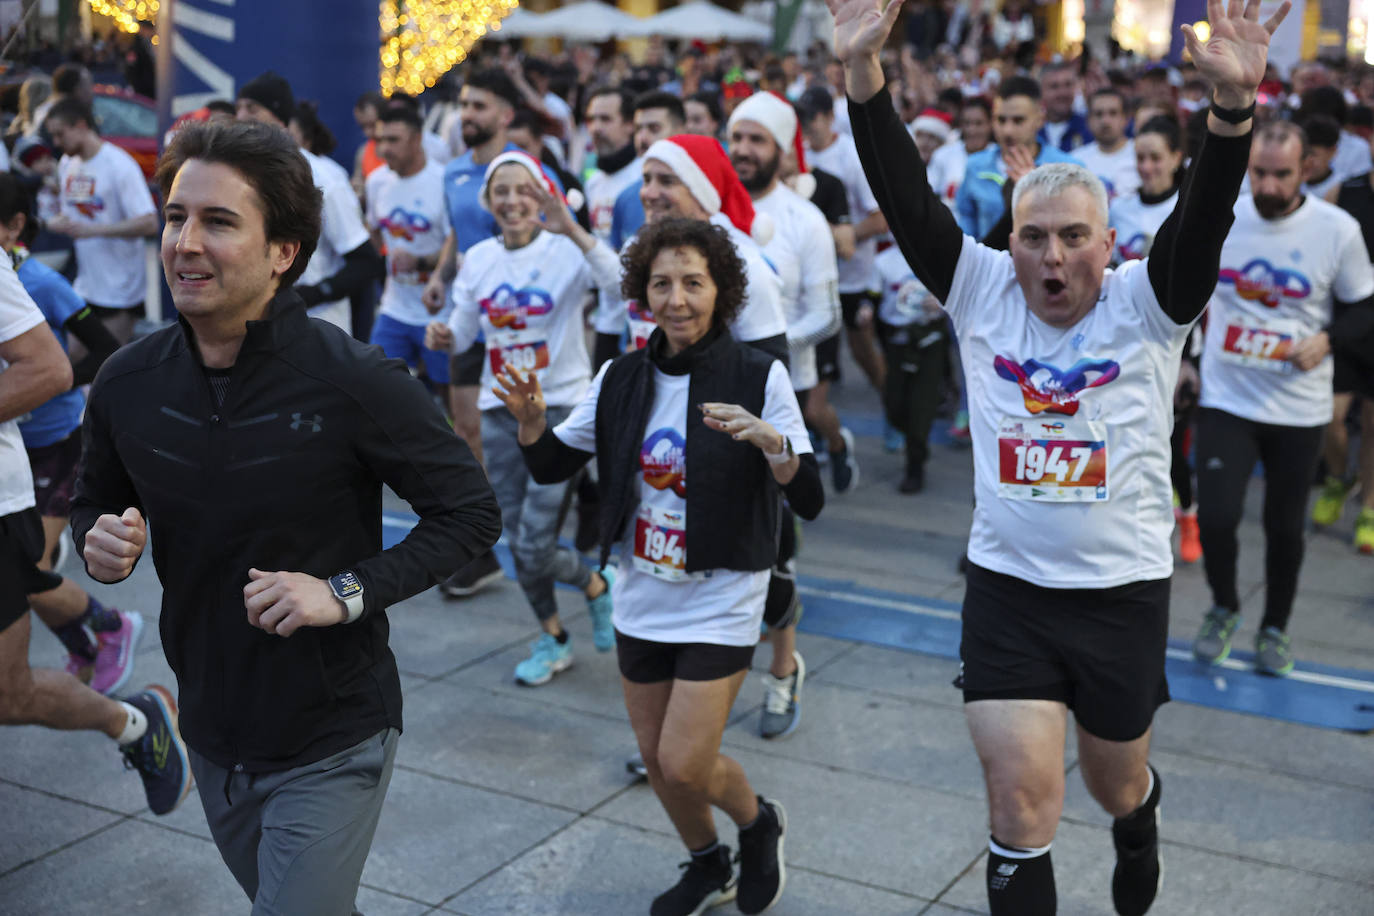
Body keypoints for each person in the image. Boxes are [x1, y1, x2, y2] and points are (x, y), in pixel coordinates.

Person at [828, 0, 1290, 913]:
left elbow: (1202, 220)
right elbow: (904, 196)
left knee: (1112, 781)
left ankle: (1139, 815)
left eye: (1073, 235)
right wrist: (862, 76)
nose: (1050, 255)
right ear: (1010, 242)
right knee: (1020, 802)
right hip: (1008, 593)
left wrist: (1230, 114)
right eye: (1032, 235)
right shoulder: (979, 286)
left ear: (1107, 245)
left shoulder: (1148, 303)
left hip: (1123, 595)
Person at [71, 120, 501, 914]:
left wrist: (342, 591)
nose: (185, 243)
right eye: (176, 217)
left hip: (333, 735)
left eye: (219, 222)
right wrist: (98, 540)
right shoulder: (128, 381)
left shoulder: (353, 379)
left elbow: (471, 514)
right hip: (211, 726)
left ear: (284, 253)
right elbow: (95, 498)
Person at [500, 216, 824, 916]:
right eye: (662, 284)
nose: (677, 299)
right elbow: (553, 461)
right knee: (658, 761)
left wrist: (775, 445)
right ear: (642, 293)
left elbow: (811, 496)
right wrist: (530, 423)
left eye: (693, 283)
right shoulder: (620, 376)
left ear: (721, 290)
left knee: (682, 762)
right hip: (643, 586)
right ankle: (710, 865)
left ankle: (757, 822)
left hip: (724, 589)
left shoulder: (757, 374)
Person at [0, 183, 186, 820]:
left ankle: (116, 657)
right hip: (37, 447)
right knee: (37, 573)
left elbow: (82, 356)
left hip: (49, 449)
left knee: (35, 582)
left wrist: (81, 403)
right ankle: (102, 632)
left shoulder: (37, 280)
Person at [425, 151, 616, 685]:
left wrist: (573, 230)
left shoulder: (567, 253)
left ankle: (598, 586)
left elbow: (623, 285)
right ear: (488, 202)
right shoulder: (479, 258)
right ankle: (555, 635)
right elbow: (462, 333)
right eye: (501, 192)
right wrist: (442, 336)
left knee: (534, 543)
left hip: (560, 412)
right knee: (517, 541)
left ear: (543, 196)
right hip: (500, 409)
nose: (512, 201)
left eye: (523, 190)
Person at [1192, 119, 1374, 676]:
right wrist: (1184, 360)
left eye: (1281, 175)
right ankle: (1224, 607)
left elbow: (1365, 304)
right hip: (1227, 396)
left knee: (1283, 526)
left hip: (1298, 406)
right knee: (1218, 517)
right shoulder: (1224, 216)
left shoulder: (1336, 229)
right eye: (1259, 173)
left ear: (1308, 170)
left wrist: (1329, 339)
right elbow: (1179, 288)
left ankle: (1275, 626)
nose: (1268, 187)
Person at [728, 91, 841, 738]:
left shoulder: (803, 220)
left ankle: (781, 669)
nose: (744, 150)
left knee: (777, 547)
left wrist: (760, 351)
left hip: (783, 395)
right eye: (736, 137)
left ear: (782, 147)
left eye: (758, 139)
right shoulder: (716, 217)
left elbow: (827, 314)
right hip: (715, 397)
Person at [2, 172, 138, 692]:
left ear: (16, 225)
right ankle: (89, 647)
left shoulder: (39, 282)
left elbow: (105, 346)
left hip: (59, 445)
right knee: (21, 572)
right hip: (15, 448)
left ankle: (112, 629)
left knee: (26, 571)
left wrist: (57, 385)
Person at [424, 68, 554, 599]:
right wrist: (439, 273)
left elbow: (559, 229)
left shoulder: (531, 172)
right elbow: (459, 228)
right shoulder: (454, 171)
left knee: (513, 431)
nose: (467, 115)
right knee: (467, 433)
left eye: (479, 106)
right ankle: (480, 551)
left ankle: (543, 516)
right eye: (464, 105)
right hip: (466, 320)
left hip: (519, 326)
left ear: (504, 114)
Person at [1109, 116, 1202, 564]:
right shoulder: (1119, 208)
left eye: (1155, 158)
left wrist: (1191, 360)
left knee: (1171, 443)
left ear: (1176, 158)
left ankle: (1188, 514)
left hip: (1176, 344)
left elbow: (1203, 292)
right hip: (1126, 343)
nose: (1146, 167)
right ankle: (1140, 518)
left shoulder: (1187, 210)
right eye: (1140, 158)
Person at [236, 72, 379, 338]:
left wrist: (307, 295)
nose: (242, 116)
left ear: (279, 118)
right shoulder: (238, 174)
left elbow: (364, 262)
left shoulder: (323, 177)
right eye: (239, 108)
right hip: (258, 330)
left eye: (252, 108)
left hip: (318, 331)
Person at [798, 84, 885, 487]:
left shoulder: (850, 155)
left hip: (854, 273)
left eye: (812, 120)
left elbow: (880, 218)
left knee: (862, 346)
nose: (806, 129)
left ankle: (892, 408)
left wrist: (836, 236)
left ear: (829, 118)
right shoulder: (796, 157)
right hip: (812, 282)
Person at [43, 97, 158, 345]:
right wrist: (53, 223)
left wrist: (94, 230)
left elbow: (149, 222)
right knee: (71, 361)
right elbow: (73, 214)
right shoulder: (66, 164)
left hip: (120, 290)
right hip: (85, 286)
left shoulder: (119, 164)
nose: (56, 143)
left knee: (105, 368)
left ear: (81, 126)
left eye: (60, 134)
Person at [365, 103, 454, 406]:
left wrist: (419, 262)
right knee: (378, 388)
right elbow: (375, 228)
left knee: (449, 396)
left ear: (416, 140)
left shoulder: (444, 181)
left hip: (440, 311)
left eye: (393, 140)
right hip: (394, 308)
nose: (384, 149)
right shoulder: (377, 182)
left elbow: (456, 246)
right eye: (380, 140)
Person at [1316, 150, 1374, 552]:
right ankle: (1339, 478)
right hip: (1348, 322)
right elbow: (1311, 233)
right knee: (1328, 415)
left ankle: (1370, 508)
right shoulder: (1346, 191)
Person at [955, 76, 1082, 241]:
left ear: (1040, 120)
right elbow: (966, 236)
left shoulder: (1068, 168)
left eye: (1018, 120)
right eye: (1001, 120)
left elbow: (1076, 233)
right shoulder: (975, 166)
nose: (1008, 130)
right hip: (990, 263)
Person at [608, 91, 687, 254]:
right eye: (638, 129)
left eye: (654, 128)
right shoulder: (625, 198)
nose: (642, 138)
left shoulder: (698, 195)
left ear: (680, 131)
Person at [584, 87, 640, 241]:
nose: (595, 128)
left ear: (630, 124)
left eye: (605, 119)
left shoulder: (644, 177)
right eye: (591, 120)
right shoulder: (592, 182)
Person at [1074, 89, 1140, 203]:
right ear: (1088, 120)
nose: (1105, 121)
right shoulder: (1075, 160)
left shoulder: (1142, 155)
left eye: (1113, 113)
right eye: (1098, 114)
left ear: (1126, 119)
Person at [927, 96, 992, 209]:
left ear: (990, 125)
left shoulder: (1000, 156)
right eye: (967, 123)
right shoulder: (943, 155)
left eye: (978, 123)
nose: (972, 130)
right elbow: (928, 195)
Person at [1038, 60, 1093, 152]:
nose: (1062, 93)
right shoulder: (1032, 130)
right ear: (1041, 91)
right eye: (1054, 86)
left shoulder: (1089, 128)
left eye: (1068, 85)